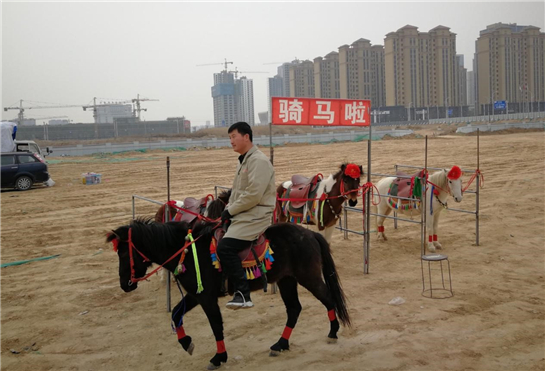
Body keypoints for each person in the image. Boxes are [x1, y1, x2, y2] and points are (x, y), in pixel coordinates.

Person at [217, 122, 276, 309]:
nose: (231, 141)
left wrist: (230, 210)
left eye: (234, 136)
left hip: (256, 215)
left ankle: (243, 293)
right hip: (245, 212)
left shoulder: (258, 161)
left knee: (225, 247)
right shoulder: (243, 160)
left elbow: (253, 195)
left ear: (246, 137)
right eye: (229, 138)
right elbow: (238, 193)